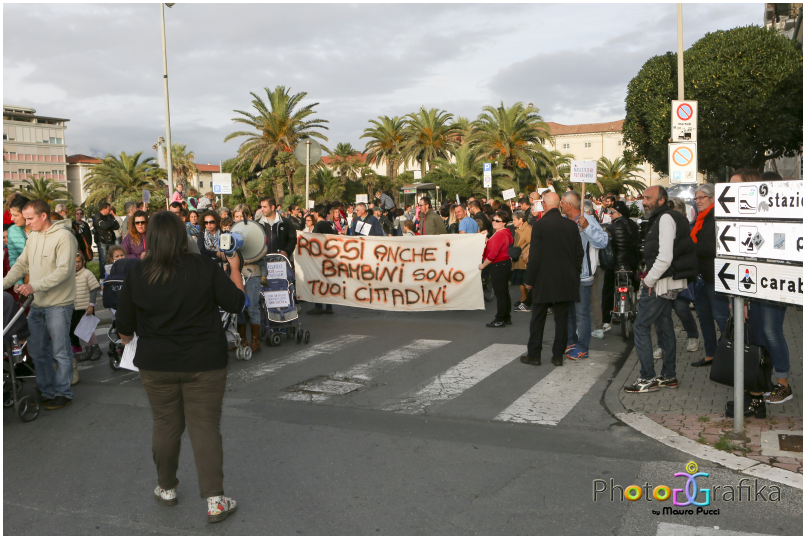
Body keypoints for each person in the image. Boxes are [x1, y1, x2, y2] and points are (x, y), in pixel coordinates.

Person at [115, 210, 245, 523]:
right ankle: (215, 500)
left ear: (151, 238)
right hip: (206, 362)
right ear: (182, 236)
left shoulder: (137, 272)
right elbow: (237, 303)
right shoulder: (203, 266)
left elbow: (124, 327)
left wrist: (130, 339)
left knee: (165, 424)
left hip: (157, 364)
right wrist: (235, 268)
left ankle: (167, 488)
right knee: (205, 428)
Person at [3, 199, 78, 410]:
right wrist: (4, 283)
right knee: (37, 351)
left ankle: (63, 392)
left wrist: (34, 286)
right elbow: (21, 264)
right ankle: (46, 390)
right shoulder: (34, 236)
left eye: (30, 218)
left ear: (43, 216)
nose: (26, 223)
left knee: (60, 351)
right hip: (36, 305)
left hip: (59, 305)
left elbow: (64, 271)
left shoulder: (64, 237)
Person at [624, 186, 697, 393]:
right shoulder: (668, 217)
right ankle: (668, 376)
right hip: (667, 282)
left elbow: (665, 257)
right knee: (664, 328)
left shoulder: (665, 218)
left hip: (660, 282)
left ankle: (647, 377)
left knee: (640, 326)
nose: (644, 201)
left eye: (649, 198)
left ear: (662, 200)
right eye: (644, 198)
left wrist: (649, 281)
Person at [522, 192, 583, 367]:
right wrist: (574, 272)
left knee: (538, 318)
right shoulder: (571, 226)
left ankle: (534, 354)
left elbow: (535, 256)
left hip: (543, 279)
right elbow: (579, 253)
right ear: (558, 204)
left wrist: (529, 279)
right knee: (562, 319)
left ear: (546, 206)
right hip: (565, 279)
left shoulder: (540, 225)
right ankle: (557, 355)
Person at [561, 191, 609, 361]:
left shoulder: (588, 220)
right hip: (567, 276)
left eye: (562, 202)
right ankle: (571, 342)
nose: (560, 205)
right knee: (568, 312)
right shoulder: (565, 222)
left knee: (582, 314)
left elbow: (603, 241)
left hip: (583, 276)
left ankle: (583, 347)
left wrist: (587, 227)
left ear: (570, 205)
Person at [479, 210, 514, 327]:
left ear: (503, 223)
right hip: (503, 264)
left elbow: (493, 254)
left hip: (499, 265)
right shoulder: (502, 233)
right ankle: (506, 317)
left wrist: (483, 265)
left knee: (500, 294)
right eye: (493, 219)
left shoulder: (500, 234)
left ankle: (499, 319)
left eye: (497, 221)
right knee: (504, 292)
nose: (494, 222)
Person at [70, 252, 102, 367]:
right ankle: (88, 349)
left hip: (86, 307)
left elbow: (93, 289)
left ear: (83, 262)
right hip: (75, 307)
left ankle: (96, 348)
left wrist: (91, 305)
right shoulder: (69, 275)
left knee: (88, 329)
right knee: (81, 330)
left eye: (79, 261)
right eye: (74, 262)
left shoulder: (87, 274)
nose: (76, 264)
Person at [307, 205, 336, 315]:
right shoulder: (328, 225)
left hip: (319, 258)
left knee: (318, 282)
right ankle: (329, 306)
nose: (313, 215)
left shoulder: (318, 225)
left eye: (314, 213)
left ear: (317, 213)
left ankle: (318, 306)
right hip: (327, 257)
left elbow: (314, 242)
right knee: (327, 281)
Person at [92, 202, 120, 281]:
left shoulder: (110, 216)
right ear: (103, 209)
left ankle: (112, 275)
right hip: (102, 241)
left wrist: (108, 225)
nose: (110, 210)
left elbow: (117, 225)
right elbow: (103, 226)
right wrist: (111, 224)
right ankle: (102, 277)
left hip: (111, 240)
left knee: (112, 259)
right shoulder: (97, 217)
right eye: (108, 209)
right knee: (103, 260)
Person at [6, 195, 31, 282]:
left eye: (15, 215)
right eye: (11, 215)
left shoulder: (41, 230)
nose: (12, 219)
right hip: (22, 278)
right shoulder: (12, 231)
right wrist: (19, 283)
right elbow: (14, 259)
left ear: (26, 214)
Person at [511, 210, 532, 312]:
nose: (513, 221)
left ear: (521, 219)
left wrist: (524, 253)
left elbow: (530, 243)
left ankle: (524, 299)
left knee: (522, 281)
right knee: (521, 281)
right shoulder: (518, 229)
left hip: (523, 258)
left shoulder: (527, 229)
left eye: (515, 219)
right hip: (518, 257)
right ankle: (524, 298)